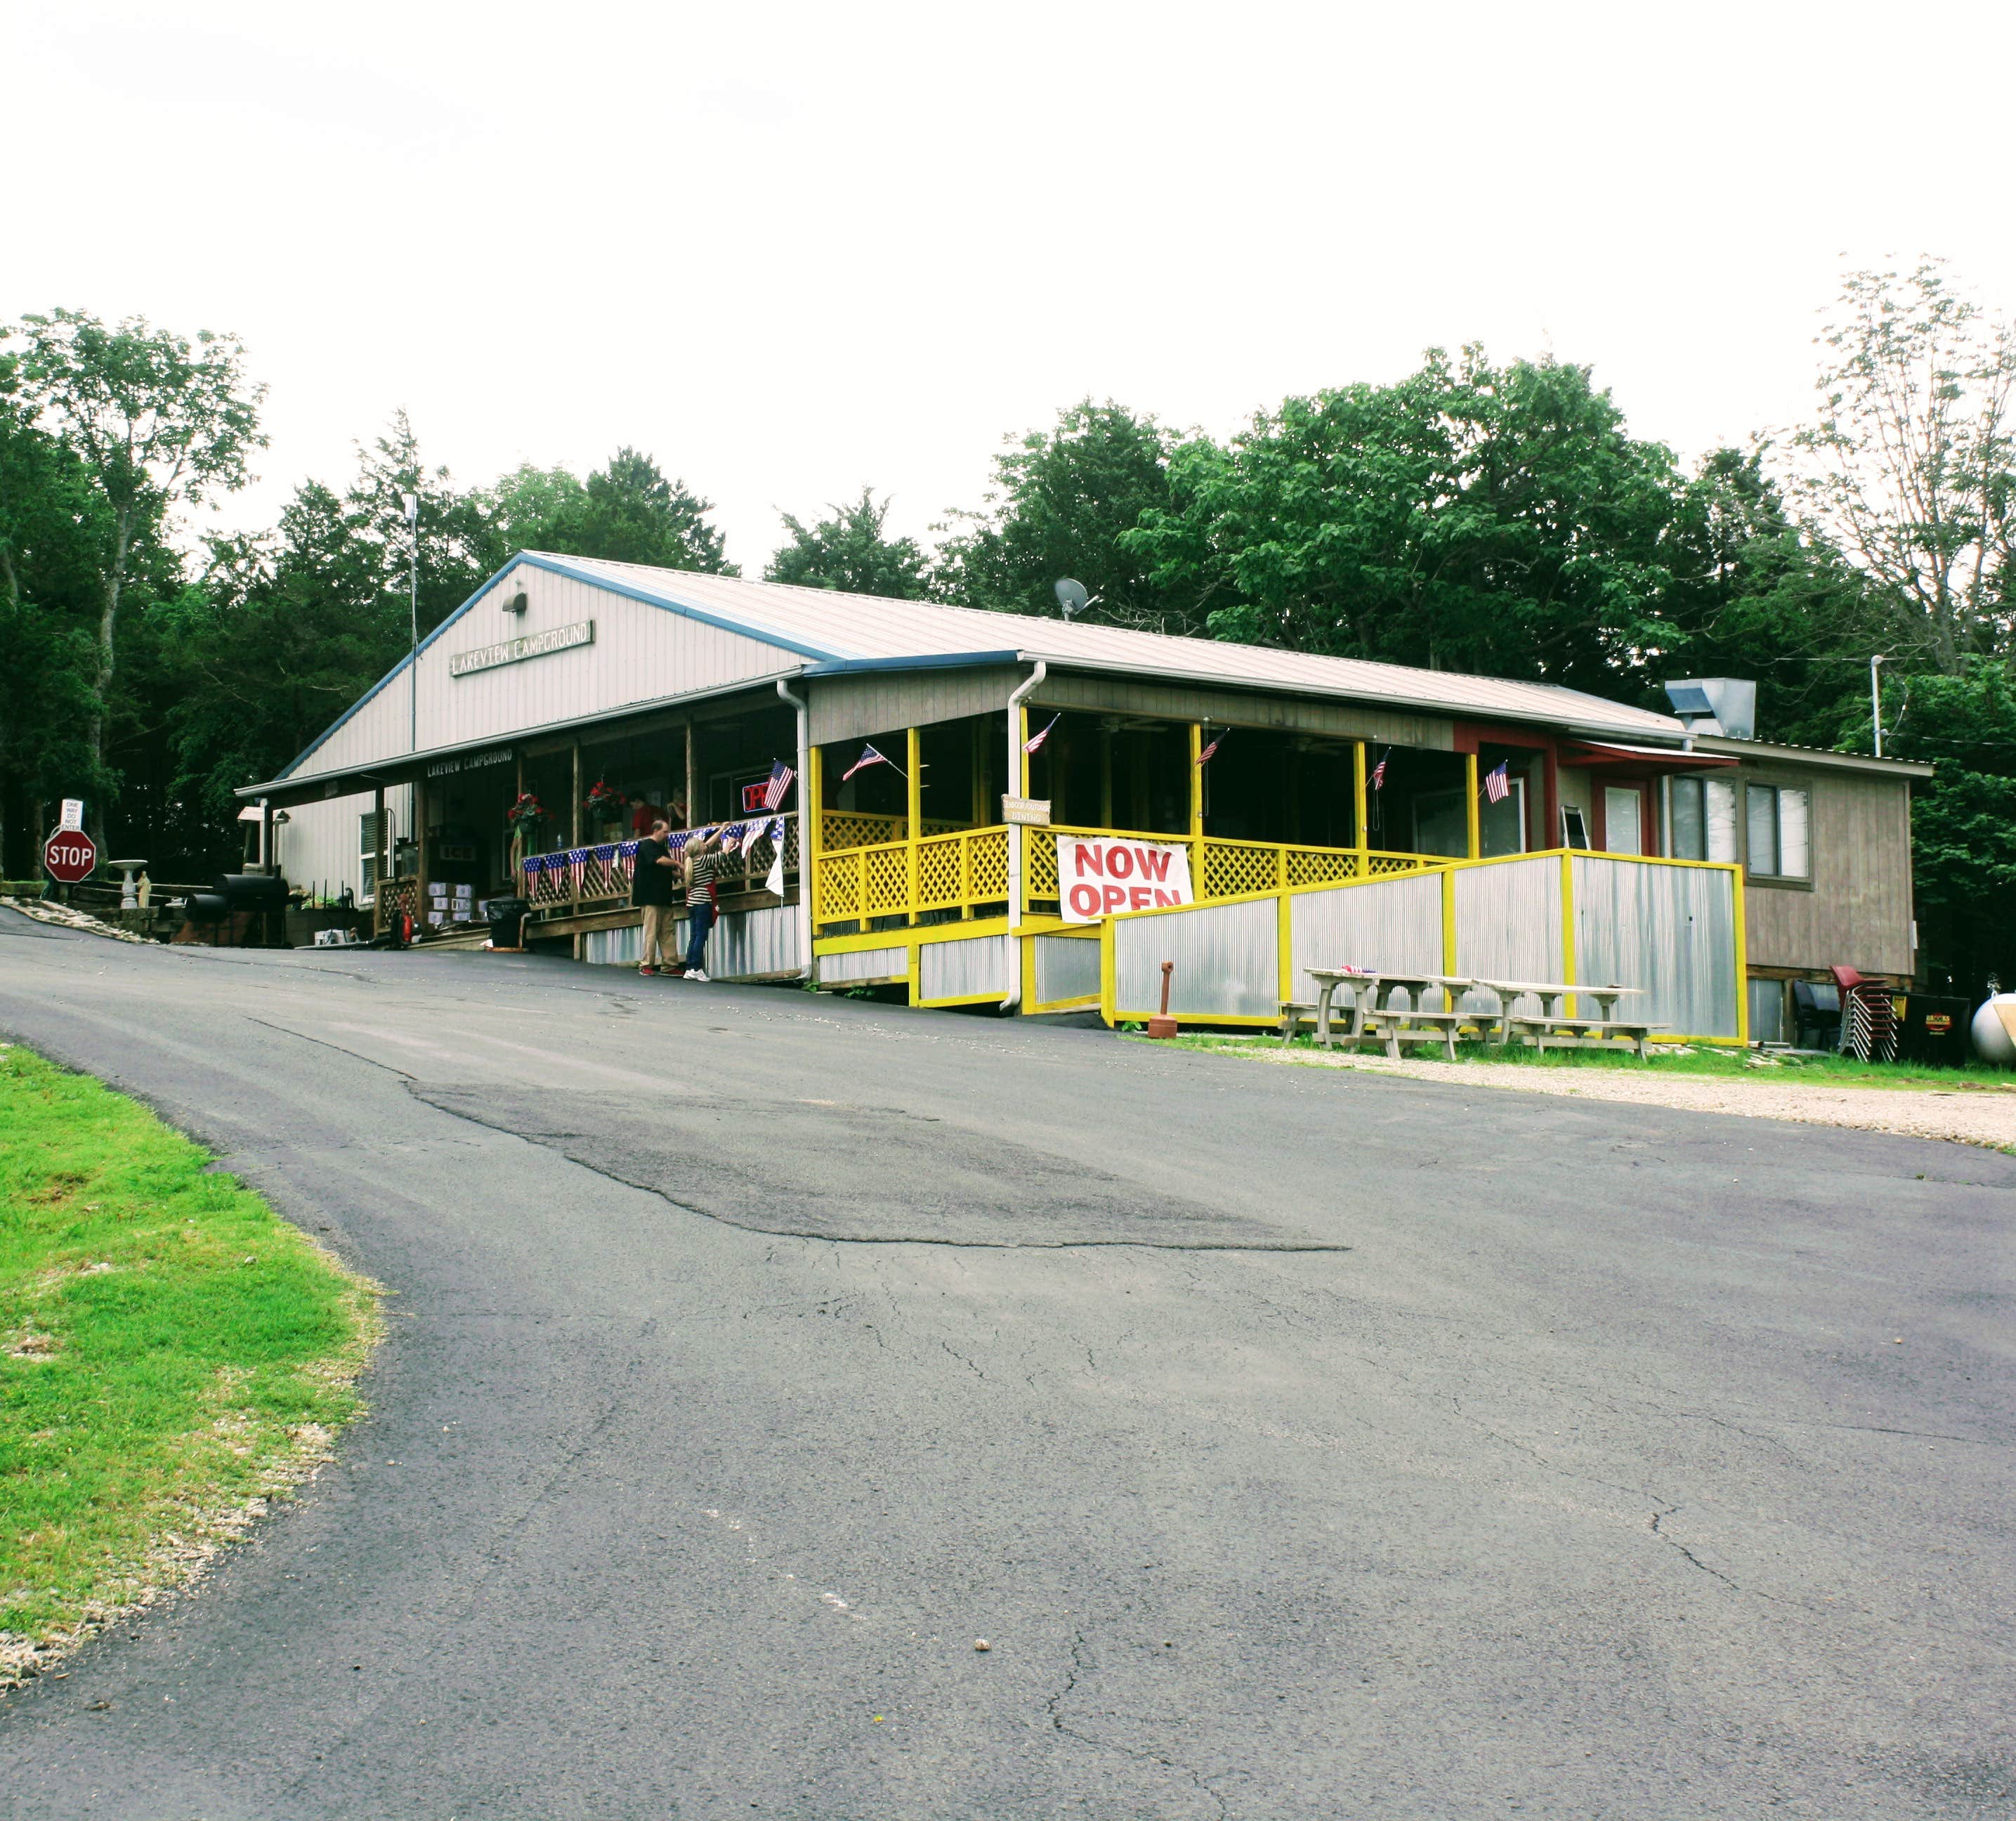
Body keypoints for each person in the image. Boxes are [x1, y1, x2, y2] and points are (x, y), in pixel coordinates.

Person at [632, 817, 681, 976]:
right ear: (656, 830)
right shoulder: (647, 846)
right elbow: (659, 861)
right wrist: (678, 864)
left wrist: (680, 875)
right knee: (651, 931)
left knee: (667, 931)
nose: (667, 835)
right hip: (649, 896)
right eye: (665, 832)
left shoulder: (662, 848)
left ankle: (670, 964)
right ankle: (646, 964)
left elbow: (664, 869)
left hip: (664, 896)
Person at [681, 831, 724, 981]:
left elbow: (708, 844)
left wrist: (721, 830)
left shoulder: (692, 861)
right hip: (702, 902)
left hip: (692, 902)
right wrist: (730, 842)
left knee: (694, 936)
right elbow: (722, 855)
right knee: (701, 936)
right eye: (701, 843)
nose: (704, 844)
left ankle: (690, 967)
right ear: (699, 849)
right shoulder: (704, 860)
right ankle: (697, 968)